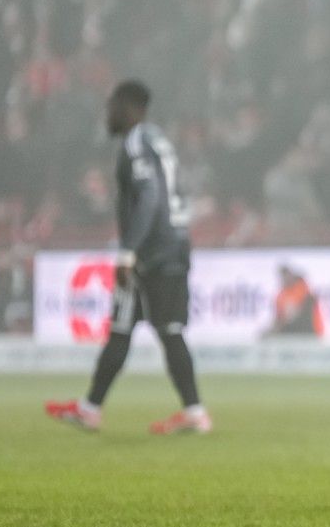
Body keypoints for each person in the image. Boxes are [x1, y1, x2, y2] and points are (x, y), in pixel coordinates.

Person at [46, 81, 211, 435]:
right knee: (124, 329)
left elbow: (151, 196)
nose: (108, 114)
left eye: (112, 107)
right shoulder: (158, 140)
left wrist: (128, 252)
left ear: (129, 107)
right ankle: (91, 408)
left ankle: (196, 413)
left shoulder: (137, 141)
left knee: (166, 331)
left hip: (155, 253)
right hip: (170, 245)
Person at [268, 263, 325, 337]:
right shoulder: (281, 295)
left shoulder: (303, 289)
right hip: (293, 331)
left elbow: (301, 312)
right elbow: (280, 317)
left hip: (309, 331)